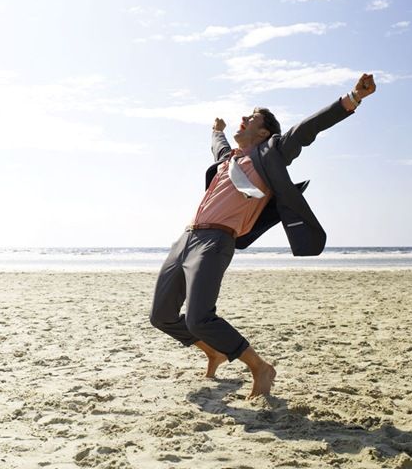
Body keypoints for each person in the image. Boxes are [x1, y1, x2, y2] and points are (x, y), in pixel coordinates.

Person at [150, 74, 377, 398]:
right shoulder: (228, 161)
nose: (244, 119)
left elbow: (307, 129)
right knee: (161, 316)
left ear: (264, 132)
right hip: (186, 239)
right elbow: (220, 145)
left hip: (217, 241)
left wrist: (353, 97)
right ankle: (212, 352)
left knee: (200, 318)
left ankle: (260, 367)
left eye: (251, 117)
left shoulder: (271, 153)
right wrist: (217, 130)